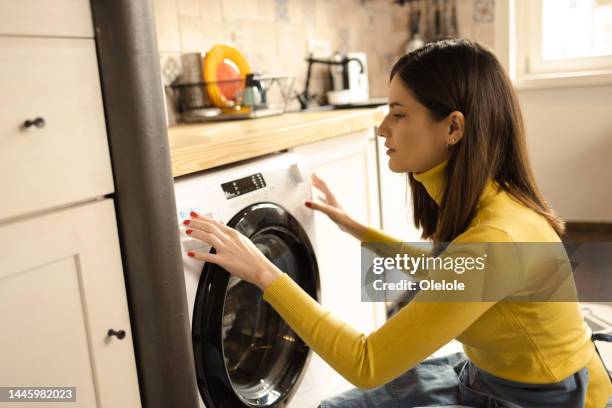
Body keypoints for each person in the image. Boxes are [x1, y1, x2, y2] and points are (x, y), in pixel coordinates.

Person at [182, 39, 612, 407]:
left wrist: (262, 271)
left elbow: (367, 362)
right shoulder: (486, 201)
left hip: (540, 398)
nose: (383, 128)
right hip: (486, 374)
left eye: (399, 114)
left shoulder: (496, 237)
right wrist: (357, 229)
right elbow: (451, 275)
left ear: (453, 128)